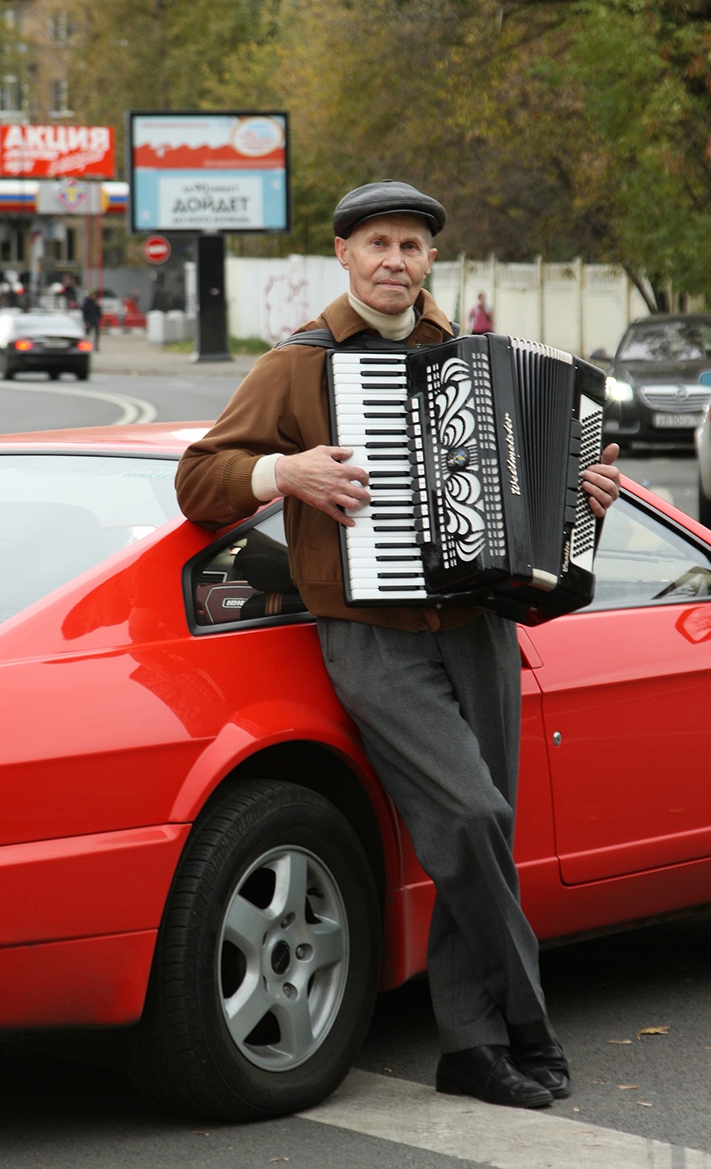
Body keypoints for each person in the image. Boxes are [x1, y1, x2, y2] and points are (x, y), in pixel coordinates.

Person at [176, 180, 622, 1110]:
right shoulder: (298, 364)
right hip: (372, 635)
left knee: (481, 833)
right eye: (377, 243)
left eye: (411, 246)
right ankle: (528, 1021)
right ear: (342, 253)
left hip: (480, 625)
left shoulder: (471, 355)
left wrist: (585, 496)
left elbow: (534, 491)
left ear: (430, 261)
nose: (395, 261)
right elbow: (198, 479)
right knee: (472, 817)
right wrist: (284, 471)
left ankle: (472, 1047)